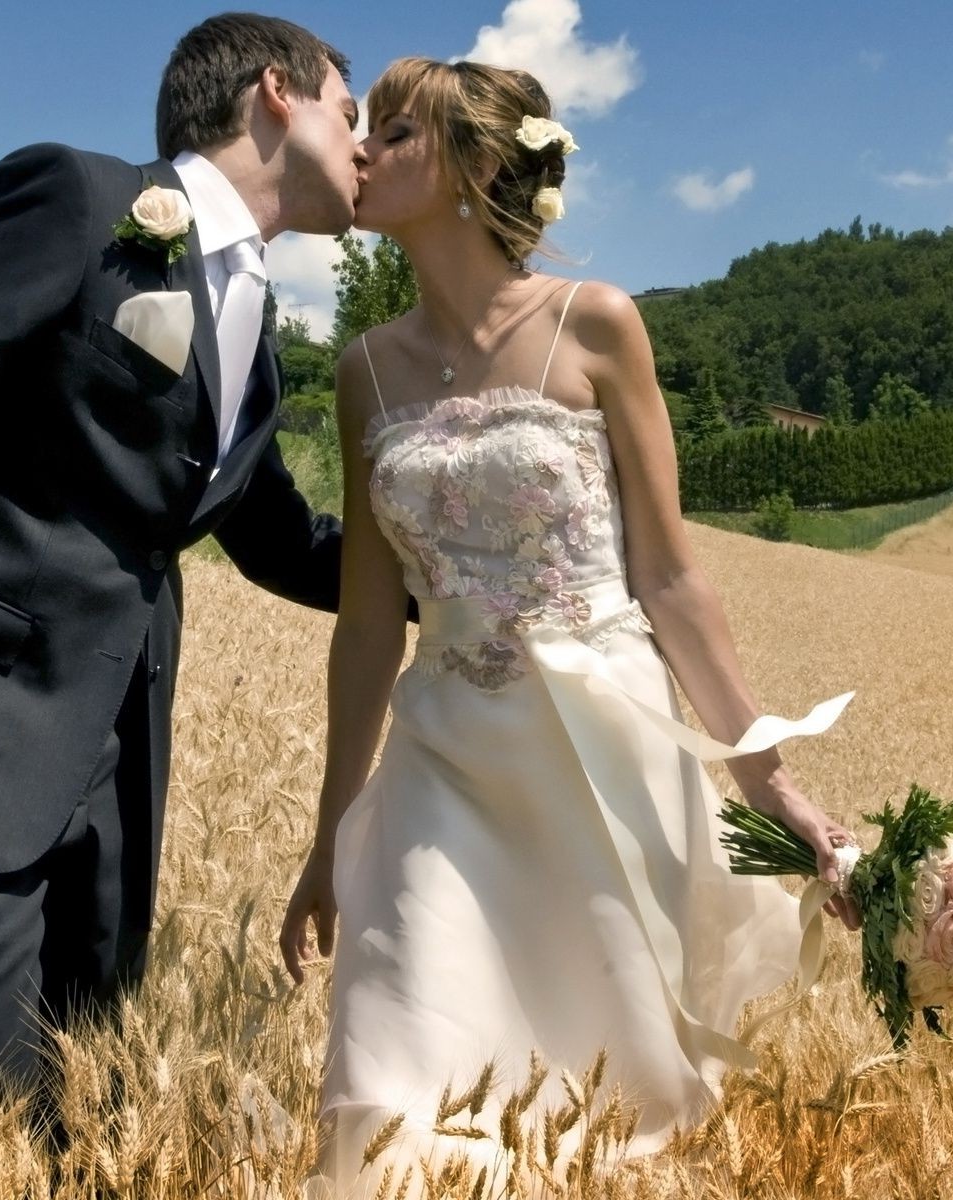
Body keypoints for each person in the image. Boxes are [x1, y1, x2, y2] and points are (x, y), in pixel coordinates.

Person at [0, 12, 362, 1161]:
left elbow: (277, 536)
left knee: (76, 1115)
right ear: (278, 94)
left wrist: (467, 581)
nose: (365, 144)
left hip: (117, 764)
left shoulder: (260, 334)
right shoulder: (76, 197)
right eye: (352, 112)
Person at [277, 56, 859, 1195]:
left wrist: (772, 785)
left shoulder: (597, 326)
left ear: (475, 166)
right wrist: (329, 838)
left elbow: (673, 581)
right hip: (439, 764)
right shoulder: (363, 375)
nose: (360, 151)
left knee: (616, 1104)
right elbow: (363, 627)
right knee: (390, 1080)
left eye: (393, 134)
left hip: (605, 757)